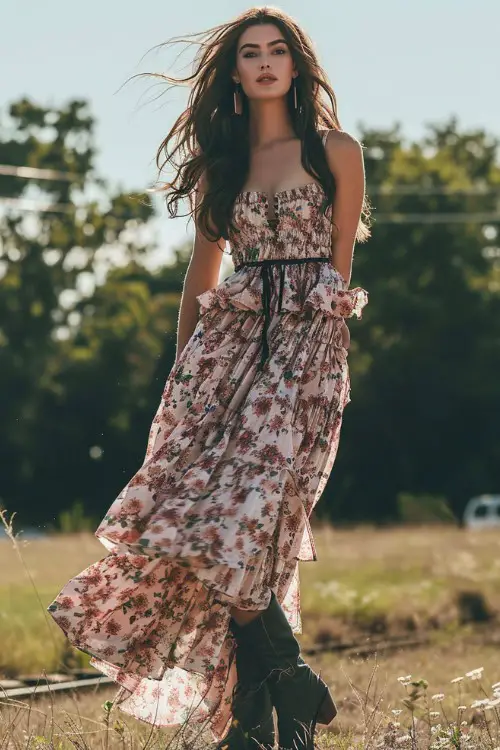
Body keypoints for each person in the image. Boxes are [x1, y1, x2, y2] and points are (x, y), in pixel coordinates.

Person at [48, 6, 370, 749]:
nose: (264, 63)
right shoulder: (218, 166)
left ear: (296, 65)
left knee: (253, 527)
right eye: (250, 53)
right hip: (221, 361)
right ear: (234, 72)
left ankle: (271, 700)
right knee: (200, 528)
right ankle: (275, 700)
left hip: (304, 361)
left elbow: (339, 273)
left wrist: (313, 371)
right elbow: (202, 274)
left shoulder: (336, 151)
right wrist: (183, 383)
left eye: (277, 51)